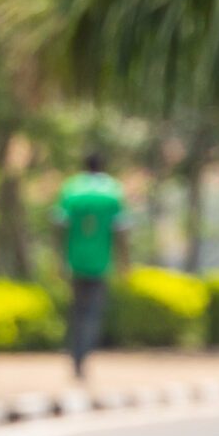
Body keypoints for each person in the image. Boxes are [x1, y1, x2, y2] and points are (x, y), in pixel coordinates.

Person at [55, 153, 129, 381]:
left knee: (76, 310)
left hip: (75, 260)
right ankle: (83, 356)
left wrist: (59, 258)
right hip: (100, 262)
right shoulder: (112, 190)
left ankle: (75, 355)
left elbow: (59, 224)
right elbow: (121, 231)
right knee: (92, 313)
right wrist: (123, 262)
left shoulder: (71, 188)